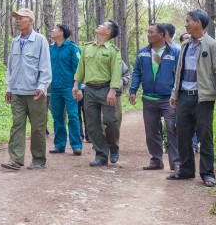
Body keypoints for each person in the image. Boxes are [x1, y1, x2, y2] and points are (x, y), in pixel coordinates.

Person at [168, 9, 216, 187]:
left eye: (188, 21)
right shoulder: (186, 45)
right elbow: (179, 71)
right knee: (182, 134)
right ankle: (186, 170)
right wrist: (175, 93)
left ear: (198, 23)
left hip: (203, 98)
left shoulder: (212, 45)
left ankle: (207, 173)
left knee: (205, 135)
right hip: (184, 97)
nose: (185, 24)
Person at [1, 8, 52, 171]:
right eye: (16, 18)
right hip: (17, 92)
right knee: (17, 125)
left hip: (35, 92)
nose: (17, 21)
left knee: (37, 127)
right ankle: (15, 159)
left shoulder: (40, 40)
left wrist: (42, 86)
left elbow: (45, 66)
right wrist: (9, 87)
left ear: (30, 20)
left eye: (21, 18)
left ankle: (38, 159)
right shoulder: (15, 42)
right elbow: (11, 67)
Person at [129, 23, 180, 171]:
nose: (148, 34)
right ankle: (156, 160)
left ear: (162, 35)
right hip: (149, 98)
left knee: (172, 129)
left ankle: (175, 162)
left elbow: (178, 75)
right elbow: (137, 72)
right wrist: (133, 90)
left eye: (151, 32)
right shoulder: (143, 52)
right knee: (151, 131)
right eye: (148, 32)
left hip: (168, 99)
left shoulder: (174, 52)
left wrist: (176, 94)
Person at [73, 20, 122, 167]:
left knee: (110, 121)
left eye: (103, 25)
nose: (99, 25)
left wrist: (113, 90)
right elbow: (81, 68)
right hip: (89, 90)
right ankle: (101, 155)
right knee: (92, 124)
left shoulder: (113, 51)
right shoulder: (87, 48)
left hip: (106, 89)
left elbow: (116, 72)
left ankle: (113, 148)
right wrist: (76, 85)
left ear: (108, 32)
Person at [48, 24, 82, 156]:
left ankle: (76, 145)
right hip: (55, 88)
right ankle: (59, 145)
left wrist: (77, 88)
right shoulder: (50, 49)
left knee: (73, 116)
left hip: (70, 88)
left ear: (61, 33)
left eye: (55, 29)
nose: (52, 30)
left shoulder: (73, 48)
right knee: (57, 116)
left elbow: (78, 69)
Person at [178, 33, 199, 154]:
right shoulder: (182, 50)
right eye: (184, 39)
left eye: (188, 37)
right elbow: (177, 74)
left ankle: (195, 145)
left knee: (199, 126)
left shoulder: (208, 45)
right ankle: (185, 167)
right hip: (183, 94)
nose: (187, 39)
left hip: (200, 94)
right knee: (182, 127)